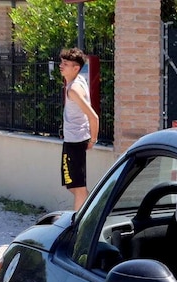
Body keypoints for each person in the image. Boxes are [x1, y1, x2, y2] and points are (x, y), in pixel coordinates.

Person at [59, 47, 98, 210]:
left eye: (66, 64)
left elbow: (93, 117)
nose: (61, 66)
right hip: (72, 141)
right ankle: (90, 212)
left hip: (76, 142)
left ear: (76, 68)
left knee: (78, 187)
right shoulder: (77, 81)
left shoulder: (74, 89)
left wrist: (93, 139)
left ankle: (79, 223)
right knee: (72, 184)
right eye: (62, 62)